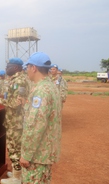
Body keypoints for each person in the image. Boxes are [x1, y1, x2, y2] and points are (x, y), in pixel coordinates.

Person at [19, 52, 62, 183]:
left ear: (34, 68)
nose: (26, 71)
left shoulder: (41, 91)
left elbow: (36, 125)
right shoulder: (50, 86)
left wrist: (26, 155)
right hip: (44, 152)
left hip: (37, 155)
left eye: (27, 67)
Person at [0, 58, 30, 184]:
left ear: (16, 68)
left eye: (8, 66)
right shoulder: (15, 80)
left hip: (16, 122)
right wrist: (2, 96)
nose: (6, 69)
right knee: (14, 148)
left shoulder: (20, 81)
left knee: (14, 149)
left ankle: (17, 178)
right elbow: (13, 97)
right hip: (12, 120)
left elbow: (17, 103)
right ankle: (17, 173)